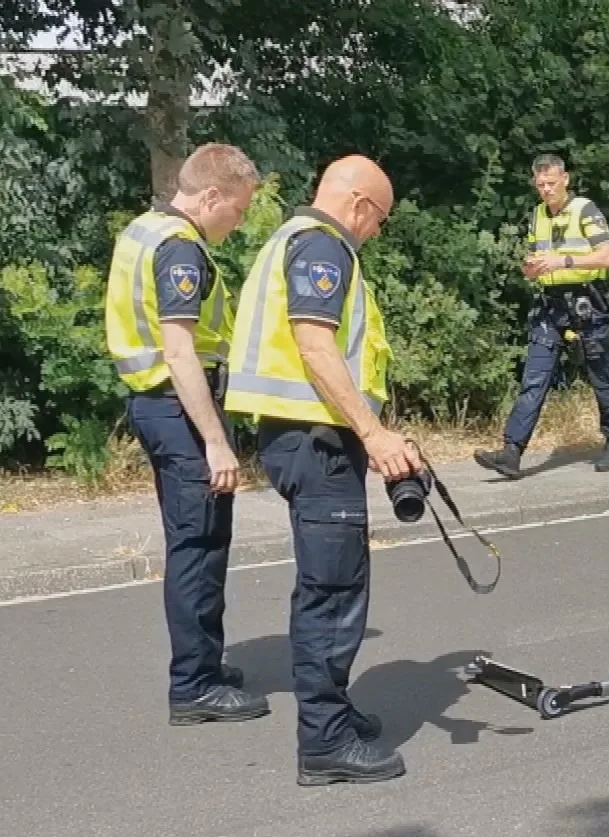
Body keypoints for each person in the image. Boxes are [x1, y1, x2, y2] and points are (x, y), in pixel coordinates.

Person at [223, 154, 421, 786]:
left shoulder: (294, 238)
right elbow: (315, 345)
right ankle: (325, 743)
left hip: (301, 439)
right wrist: (373, 432)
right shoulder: (323, 246)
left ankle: (333, 711)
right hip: (317, 443)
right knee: (332, 592)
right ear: (361, 204)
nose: (378, 233)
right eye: (381, 220)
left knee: (331, 582)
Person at [104, 142, 271, 726]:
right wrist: (216, 441)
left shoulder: (144, 228)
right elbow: (179, 350)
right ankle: (194, 684)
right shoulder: (180, 249)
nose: (241, 220)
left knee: (196, 540)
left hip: (155, 406)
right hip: (180, 408)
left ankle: (204, 663)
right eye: (240, 208)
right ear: (211, 196)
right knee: (198, 547)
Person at [474, 153, 609, 479]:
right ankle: (511, 452)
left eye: (551, 183)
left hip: (586, 302)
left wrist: (563, 262)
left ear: (565, 180)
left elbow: (608, 256)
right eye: (540, 184)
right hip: (550, 305)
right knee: (534, 378)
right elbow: (534, 262)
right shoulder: (537, 216)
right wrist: (531, 269)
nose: (546, 190)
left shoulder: (584, 210)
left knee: (600, 375)